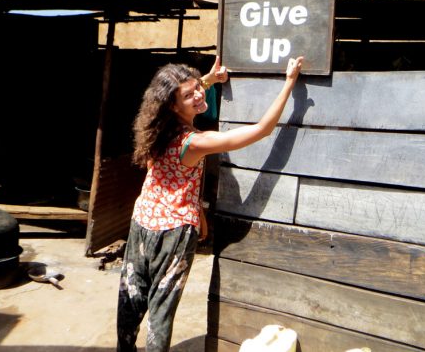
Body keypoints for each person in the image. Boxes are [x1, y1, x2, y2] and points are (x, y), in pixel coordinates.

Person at [116, 55, 304, 352]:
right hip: (172, 233)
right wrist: (290, 83)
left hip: (142, 222)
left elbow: (180, 100)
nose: (198, 95)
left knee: (131, 299)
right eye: (189, 95)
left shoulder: (156, 130)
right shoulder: (194, 142)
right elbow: (260, 130)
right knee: (161, 310)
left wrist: (208, 80)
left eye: (197, 88)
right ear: (173, 106)